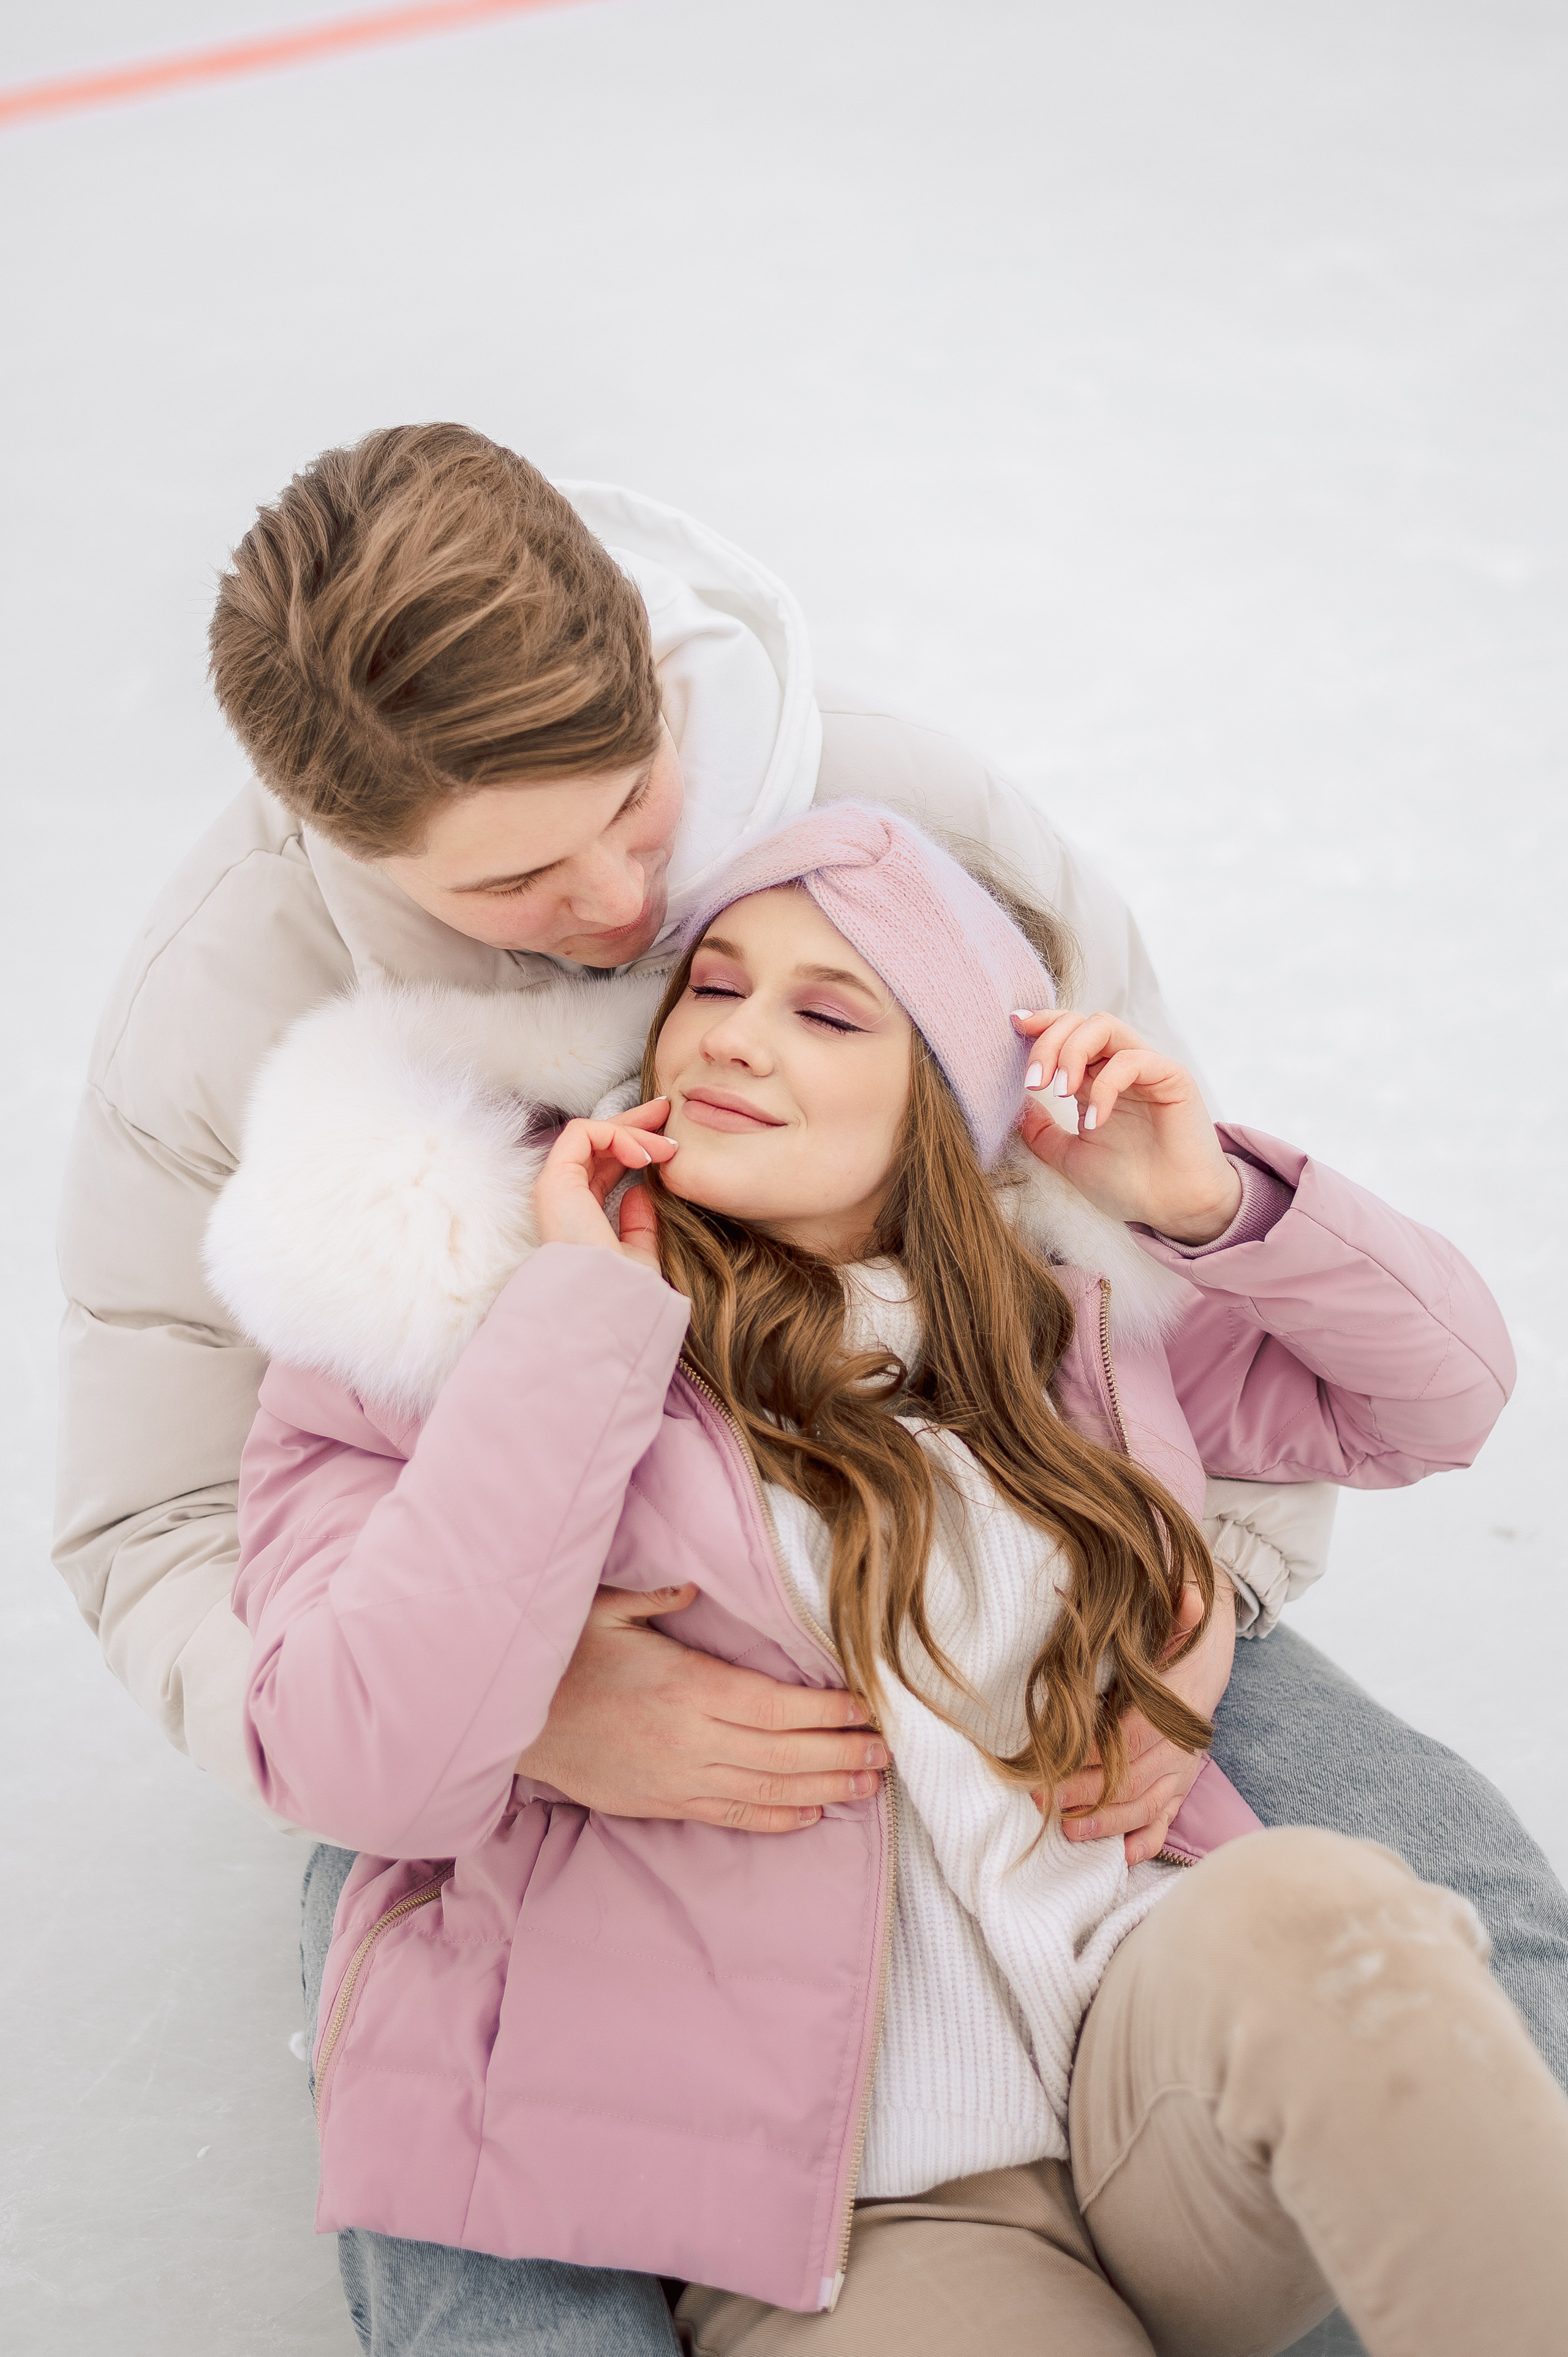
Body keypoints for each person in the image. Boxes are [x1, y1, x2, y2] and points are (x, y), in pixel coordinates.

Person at [52, 425, 1568, 2350]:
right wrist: (524, 1702)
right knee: (501, 2247)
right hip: (598, 1822)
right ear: (351, 845)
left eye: (637, 807)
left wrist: (1170, 1615)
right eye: (524, 878)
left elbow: (1373, 1375)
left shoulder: (1028, 1265)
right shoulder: (356, 1197)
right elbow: (200, 1555)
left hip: (1111, 1962)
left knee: (1416, 1935)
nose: (628, 902)